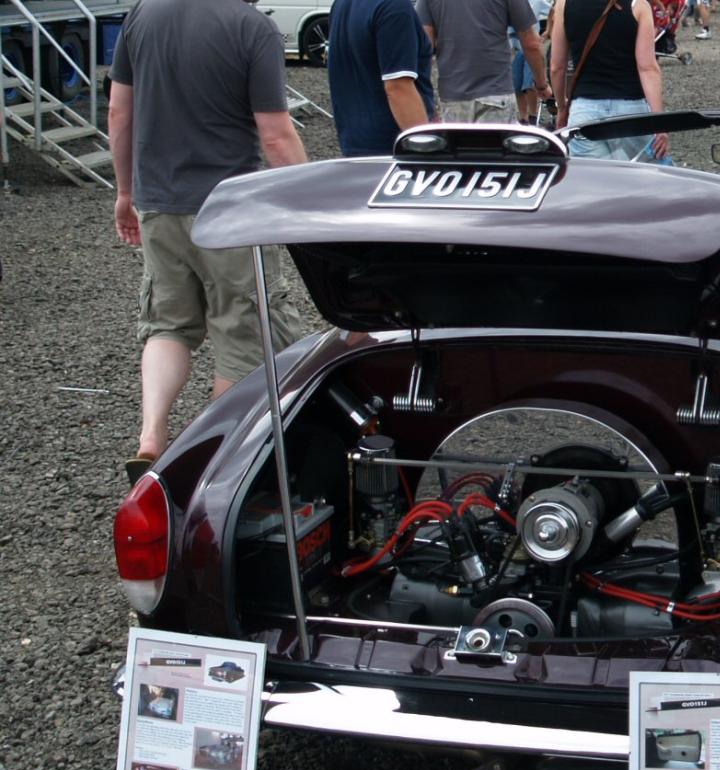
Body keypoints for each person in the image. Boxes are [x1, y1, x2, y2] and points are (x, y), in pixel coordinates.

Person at [108, 0, 307, 486]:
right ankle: (216, 461)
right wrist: (310, 205)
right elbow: (276, 136)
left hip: (159, 204)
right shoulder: (252, 27)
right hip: (231, 212)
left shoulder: (142, 15)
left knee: (167, 325)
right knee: (244, 336)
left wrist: (125, 192)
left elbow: (118, 110)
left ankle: (151, 435)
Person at [551, 0, 670, 162]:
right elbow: (647, 68)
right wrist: (659, 124)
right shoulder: (638, 5)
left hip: (584, 111)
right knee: (643, 174)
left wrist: (562, 107)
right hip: (631, 111)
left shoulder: (563, 5)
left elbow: (557, 67)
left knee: (592, 176)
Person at [327, 0, 435, 156]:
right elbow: (398, 88)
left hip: (355, 143)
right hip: (395, 148)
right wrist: (427, 148)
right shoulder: (395, 7)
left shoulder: (341, 4)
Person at [417, 0, 553, 123]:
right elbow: (531, 43)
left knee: (458, 144)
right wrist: (541, 85)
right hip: (496, 93)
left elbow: (423, 49)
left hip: (452, 97)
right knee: (495, 144)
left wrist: (425, 101)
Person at [512, 0, 553, 126]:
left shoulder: (537, 1)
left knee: (529, 83)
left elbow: (553, 10)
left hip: (531, 47)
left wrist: (548, 31)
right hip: (515, 47)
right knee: (516, 84)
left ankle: (533, 116)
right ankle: (523, 117)